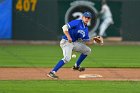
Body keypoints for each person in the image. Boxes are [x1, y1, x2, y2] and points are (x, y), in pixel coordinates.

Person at [47, 11, 96, 79]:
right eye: (85, 17)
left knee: (87, 50)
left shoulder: (86, 29)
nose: (87, 19)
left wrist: (94, 41)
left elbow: (86, 42)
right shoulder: (77, 22)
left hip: (74, 43)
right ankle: (52, 72)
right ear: (82, 17)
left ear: (90, 19)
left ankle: (76, 66)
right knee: (67, 58)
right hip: (66, 42)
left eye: (88, 18)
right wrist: (68, 36)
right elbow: (64, 27)